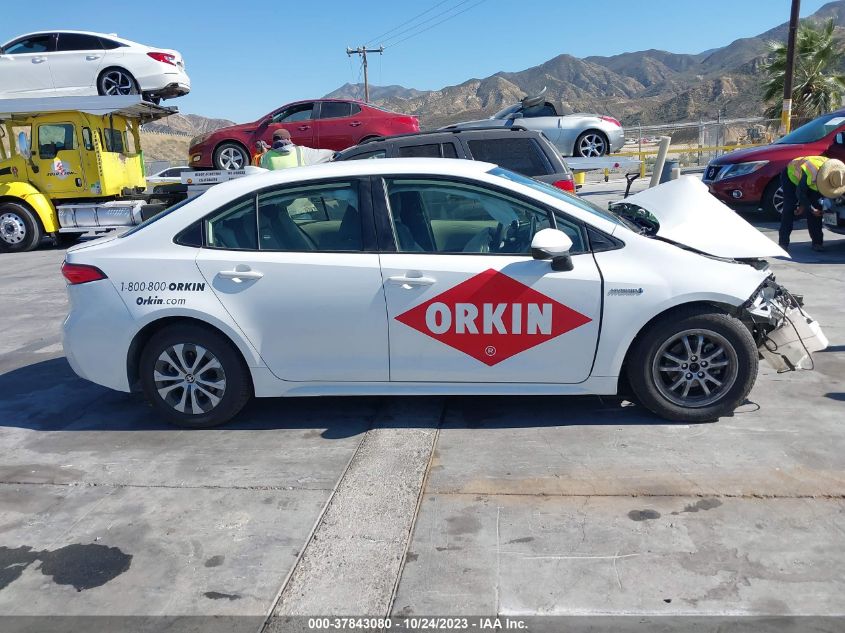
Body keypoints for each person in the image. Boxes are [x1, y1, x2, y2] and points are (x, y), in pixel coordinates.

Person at [779, 156, 845, 252]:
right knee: (789, 208)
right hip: (791, 176)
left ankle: (817, 242)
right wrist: (809, 208)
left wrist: (812, 208)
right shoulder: (811, 172)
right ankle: (783, 243)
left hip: (811, 180)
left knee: (817, 208)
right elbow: (800, 193)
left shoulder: (838, 173)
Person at [259, 129, 333, 170]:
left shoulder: (265, 157)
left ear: (274, 141)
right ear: (288, 139)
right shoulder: (302, 151)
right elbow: (326, 154)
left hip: (278, 194)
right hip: (299, 192)